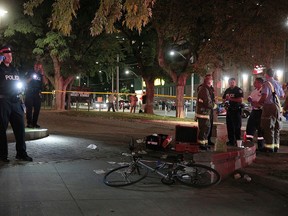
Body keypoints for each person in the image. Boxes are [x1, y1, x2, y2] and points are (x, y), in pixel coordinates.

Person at [0, 46, 33, 162]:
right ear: (2, 55)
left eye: (11, 54)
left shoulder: (14, 69)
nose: (9, 55)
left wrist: (22, 102)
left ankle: (21, 153)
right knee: (1, 129)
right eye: (6, 53)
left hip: (16, 101)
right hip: (3, 101)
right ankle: (2, 155)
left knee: (20, 129)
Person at [253, 68, 285, 152]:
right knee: (276, 127)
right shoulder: (278, 83)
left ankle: (269, 147)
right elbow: (282, 96)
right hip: (277, 106)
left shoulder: (266, 83)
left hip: (269, 106)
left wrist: (258, 103)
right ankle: (276, 147)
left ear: (266, 74)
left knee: (268, 127)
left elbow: (264, 95)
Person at [195, 74, 214, 150]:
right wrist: (215, 106)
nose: (212, 80)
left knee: (206, 129)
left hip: (206, 113)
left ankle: (205, 143)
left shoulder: (207, 89)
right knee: (204, 129)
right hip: (204, 113)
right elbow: (207, 102)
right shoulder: (204, 89)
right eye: (210, 79)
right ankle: (201, 145)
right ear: (207, 81)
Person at [222, 77, 243, 146]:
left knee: (237, 127)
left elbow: (240, 100)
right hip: (229, 110)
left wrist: (230, 99)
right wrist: (225, 101)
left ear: (235, 82)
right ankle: (231, 141)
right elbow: (224, 98)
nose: (231, 84)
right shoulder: (227, 90)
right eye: (230, 82)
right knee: (229, 126)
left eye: (233, 82)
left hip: (236, 110)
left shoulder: (238, 90)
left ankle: (238, 141)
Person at [245, 77, 264, 150]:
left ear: (260, 83)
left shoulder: (263, 91)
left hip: (260, 111)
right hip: (254, 111)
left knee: (260, 129)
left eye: (255, 82)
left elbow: (260, 103)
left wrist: (256, 103)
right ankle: (249, 144)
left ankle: (261, 146)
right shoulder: (254, 91)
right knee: (250, 127)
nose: (253, 83)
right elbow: (250, 98)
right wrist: (250, 100)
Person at [24, 63, 45, 128]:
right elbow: (25, 81)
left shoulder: (40, 74)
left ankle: (34, 123)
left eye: (39, 67)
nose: (38, 68)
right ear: (34, 66)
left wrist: (42, 74)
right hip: (29, 92)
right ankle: (29, 123)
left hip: (37, 93)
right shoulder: (30, 72)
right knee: (29, 109)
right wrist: (31, 77)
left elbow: (45, 82)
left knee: (37, 109)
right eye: (37, 67)